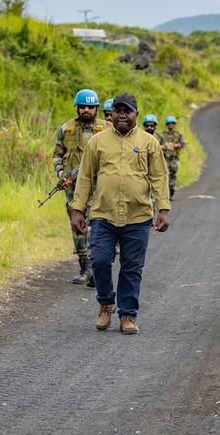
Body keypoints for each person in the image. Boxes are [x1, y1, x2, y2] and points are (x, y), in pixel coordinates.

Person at [70, 93, 171, 335]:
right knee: (101, 260)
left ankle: (128, 315)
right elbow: (85, 177)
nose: (122, 114)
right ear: (111, 114)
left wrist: (163, 209)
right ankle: (106, 303)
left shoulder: (149, 142)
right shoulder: (97, 142)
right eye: (118, 110)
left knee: (132, 266)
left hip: (138, 217)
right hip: (103, 214)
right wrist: (77, 209)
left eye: (127, 111)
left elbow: (158, 177)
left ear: (136, 113)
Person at [53, 89, 107, 286]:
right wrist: (60, 173)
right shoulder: (66, 129)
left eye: (90, 107)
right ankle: (84, 267)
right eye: (83, 106)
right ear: (77, 107)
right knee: (77, 226)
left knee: (98, 226)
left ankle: (96, 267)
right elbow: (57, 155)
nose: (86, 110)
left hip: (99, 186)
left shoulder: (107, 129)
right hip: (73, 187)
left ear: (96, 108)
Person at [160, 116, 186, 201]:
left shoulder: (178, 135)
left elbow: (183, 144)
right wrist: (165, 147)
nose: (171, 125)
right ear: (167, 124)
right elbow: (157, 145)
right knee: (165, 176)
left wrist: (175, 145)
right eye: (169, 123)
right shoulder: (162, 135)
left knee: (173, 176)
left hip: (174, 159)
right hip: (164, 158)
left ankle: (171, 193)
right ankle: (165, 195)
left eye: (172, 123)